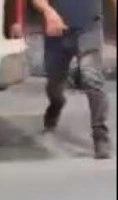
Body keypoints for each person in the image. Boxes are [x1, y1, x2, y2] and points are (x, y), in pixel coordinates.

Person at [31, 0, 115, 159]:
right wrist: (48, 12)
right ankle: (56, 106)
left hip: (89, 28)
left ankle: (100, 135)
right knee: (54, 84)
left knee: (91, 78)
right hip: (57, 31)